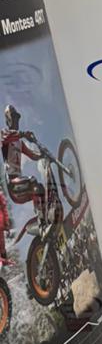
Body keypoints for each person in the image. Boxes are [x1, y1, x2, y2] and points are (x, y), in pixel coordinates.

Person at [0, 103, 44, 265]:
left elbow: (32, 155)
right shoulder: (4, 134)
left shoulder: (20, 142)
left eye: (18, 118)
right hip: (13, 184)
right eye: (14, 118)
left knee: (40, 189)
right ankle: (41, 221)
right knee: (32, 181)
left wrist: (42, 154)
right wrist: (24, 133)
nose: (17, 121)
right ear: (8, 120)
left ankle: (44, 220)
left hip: (21, 185)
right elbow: (10, 136)